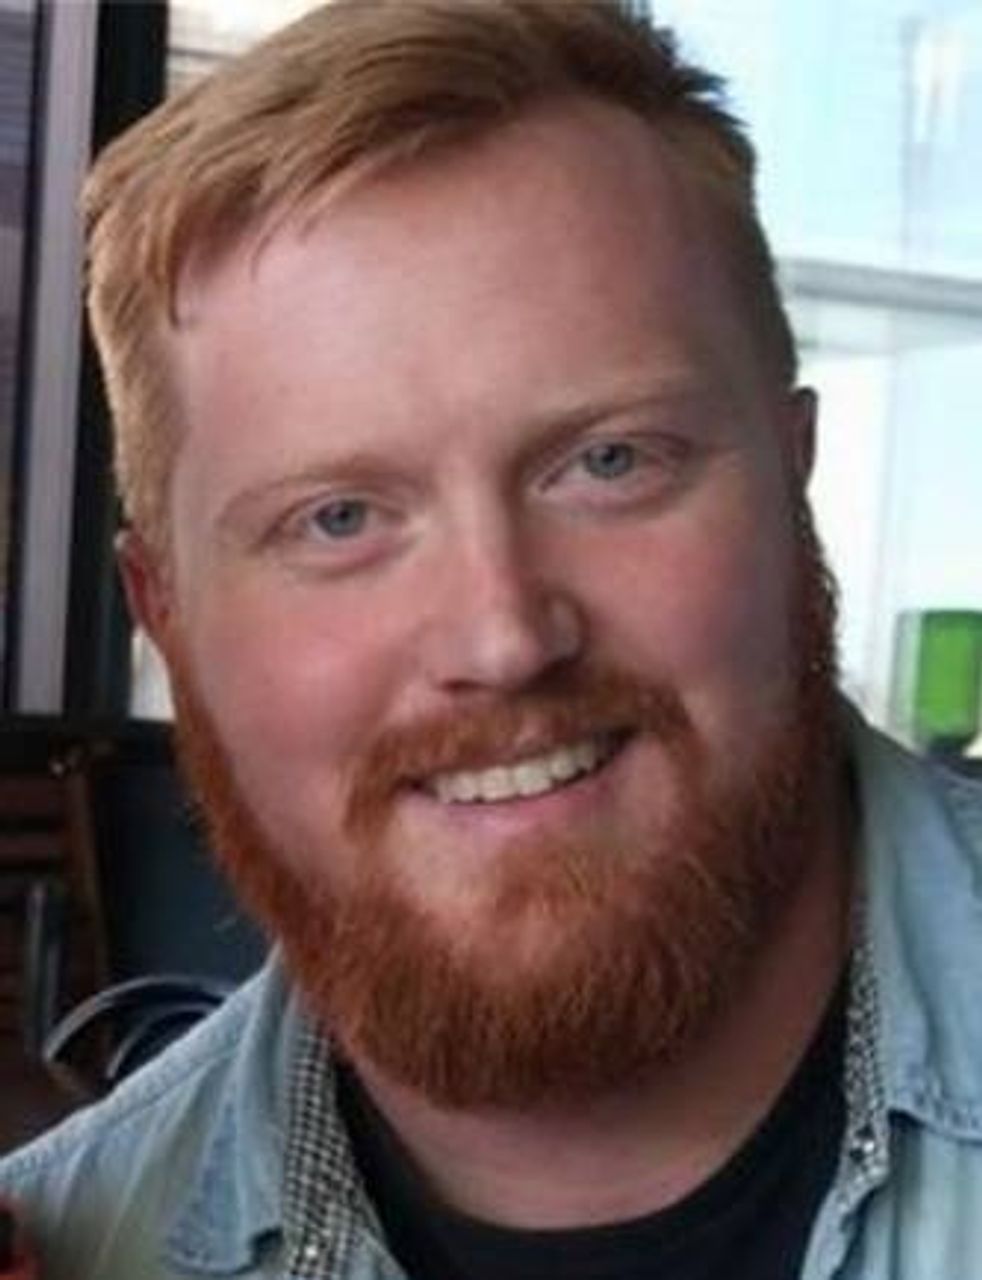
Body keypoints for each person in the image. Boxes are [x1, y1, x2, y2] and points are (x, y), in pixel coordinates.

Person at [2, 1, 981, 1276]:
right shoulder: (73, 1243)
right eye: (337, 518)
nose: (504, 633)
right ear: (166, 617)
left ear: (791, 475)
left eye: (610, 461)